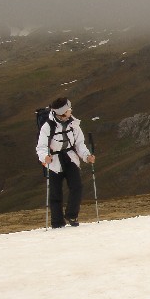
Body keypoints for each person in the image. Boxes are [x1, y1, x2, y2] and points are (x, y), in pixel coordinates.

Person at [36, 97, 96, 228]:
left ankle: (71, 215)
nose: (71, 111)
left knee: (77, 186)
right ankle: (57, 223)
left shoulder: (74, 124)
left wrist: (86, 156)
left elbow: (79, 144)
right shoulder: (48, 126)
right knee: (55, 193)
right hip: (53, 161)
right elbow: (41, 147)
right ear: (62, 112)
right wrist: (45, 157)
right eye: (69, 109)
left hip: (70, 158)